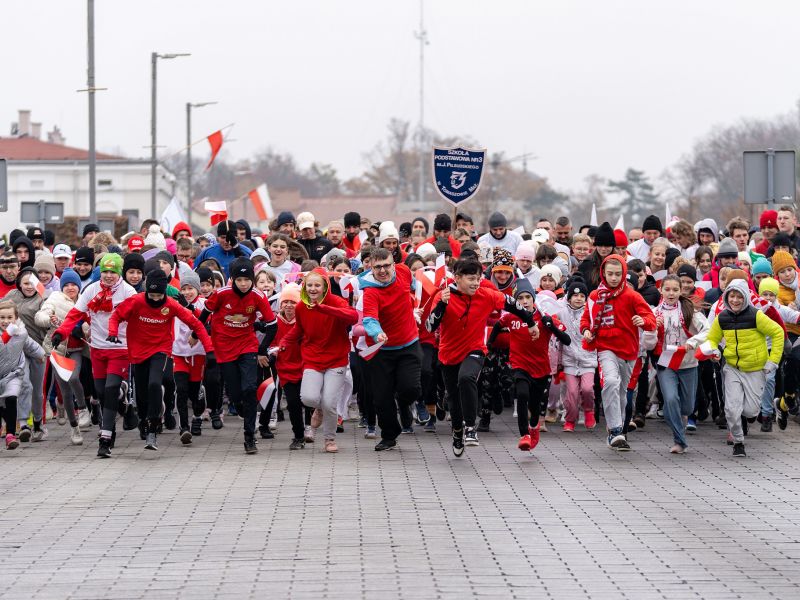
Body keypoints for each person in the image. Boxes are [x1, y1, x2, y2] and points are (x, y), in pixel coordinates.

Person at [426, 257, 538, 456]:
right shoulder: (443, 295)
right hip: (448, 353)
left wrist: (531, 322)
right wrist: (441, 305)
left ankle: (470, 428)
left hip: (475, 349)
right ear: (457, 278)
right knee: (453, 397)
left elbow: (514, 305)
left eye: (478, 278)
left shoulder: (486, 294)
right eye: (470, 279)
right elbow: (429, 327)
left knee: (467, 378)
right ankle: (458, 432)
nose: (475, 283)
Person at [108, 269, 212, 454]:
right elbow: (116, 316)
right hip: (138, 351)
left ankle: (153, 425)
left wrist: (209, 348)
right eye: (152, 295)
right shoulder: (137, 301)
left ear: (165, 292)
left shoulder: (171, 305)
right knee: (141, 394)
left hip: (160, 350)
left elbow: (196, 323)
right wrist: (113, 332)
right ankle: (143, 420)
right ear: (147, 291)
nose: (156, 299)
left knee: (155, 384)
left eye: (159, 295)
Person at [52, 253, 138, 453]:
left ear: (119, 273)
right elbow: (76, 315)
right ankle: (123, 406)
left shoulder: (128, 291)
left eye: (113, 272)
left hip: (120, 349)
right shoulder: (91, 289)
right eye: (105, 271)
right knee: (101, 392)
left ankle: (105, 438)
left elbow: (138, 319)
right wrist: (61, 333)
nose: (108, 276)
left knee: (109, 390)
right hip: (98, 350)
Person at [196, 257, 277, 454]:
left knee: (249, 388)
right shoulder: (221, 294)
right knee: (235, 394)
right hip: (224, 347)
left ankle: (249, 438)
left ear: (252, 279)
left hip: (247, 345)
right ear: (232, 279)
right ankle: (240, 405)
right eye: (239, 280)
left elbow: (273, 325)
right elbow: (205, 312)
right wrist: (196, 333)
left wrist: (261, 348)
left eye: (247, 279)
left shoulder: (258, 296)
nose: (243, 284)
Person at [699, 279, 783, 457]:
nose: (735, 300)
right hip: (732, 367)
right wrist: (714, 350)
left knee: (751, 410)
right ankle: (738, 442)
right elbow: (712, 338)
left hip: (755, 368)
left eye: (739, 296)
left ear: (745, 297)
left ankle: (748, 414)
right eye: (731, 296)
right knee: (731, 409)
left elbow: (778, 332)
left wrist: (773, 361)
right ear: (726, 297)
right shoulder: (722, 317)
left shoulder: (756, 315)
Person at [581, 254, 657, 450]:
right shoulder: (595, 296)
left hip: (628, 350)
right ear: (603, 274)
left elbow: (650, 317)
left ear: (623, 274)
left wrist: (644, 321)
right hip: (605, 346)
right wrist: (587, 331)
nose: (613, 278)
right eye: (610, 274)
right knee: (611, 382)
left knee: (622, 392)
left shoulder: (632, 296)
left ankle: (618, 431)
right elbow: (585, 320)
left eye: (617, 274)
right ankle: (615, 430)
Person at [279, 269, 359, 453]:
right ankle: (320, 409)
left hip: (336, 358)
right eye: (310, 285)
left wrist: (323, 308)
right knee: (308, 397)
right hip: (312, 358)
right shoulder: (301, 307)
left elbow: (353, 317)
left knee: (330, 401)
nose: (313, 289)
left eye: (317, 285)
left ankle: (329, 439)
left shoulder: (336, 301)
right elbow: (299, 329)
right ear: (305, 287)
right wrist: (284, 342)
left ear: (324, 288)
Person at [491, 278, 571, 452]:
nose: (524, 301)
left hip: (541, 368)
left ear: (533, 298)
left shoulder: (543, 318)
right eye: (520, 298)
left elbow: (567, 340)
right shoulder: (511, 317)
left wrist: (553, 328)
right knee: (521, 394)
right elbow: (498, 326)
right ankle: (524, 434)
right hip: (519, 364)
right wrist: (488, 346)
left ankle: (534, 427)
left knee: (534, 406)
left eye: (528, 297)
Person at [361, 248, 421, 451]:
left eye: (386, 265)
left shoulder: (404, 271)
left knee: (410, 389)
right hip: (382, 349)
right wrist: (376, 332)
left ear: (393, 264)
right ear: (371, 267)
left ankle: (403, 404)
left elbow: (415, 286)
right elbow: (369, 319)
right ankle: (389, 436)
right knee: (381, 397)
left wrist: (417, 306)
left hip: (408, 344)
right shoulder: (370, 291)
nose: (383, 271)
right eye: (377, 267)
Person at [653, 275, 709, 454]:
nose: (671, 293)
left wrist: (692, 343)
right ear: (660, 290)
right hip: (665, 363)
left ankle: (680, 420)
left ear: (680, 291)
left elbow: (708, 330)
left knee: (687, 407)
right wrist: (653, 328)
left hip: (688, 363)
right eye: (667, 289)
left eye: (675, 290)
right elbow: (646, 341)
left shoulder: (689, 310)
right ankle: (679, 440)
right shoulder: (654, 313)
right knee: (670, 400)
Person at [34, 268, 87, 444]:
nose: (70, 288)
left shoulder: (85, 300)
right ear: (62, 287)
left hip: (78, 350)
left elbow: (93, 323)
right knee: (64, 391)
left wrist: (84, 330)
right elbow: (41, 315)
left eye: (74, 284)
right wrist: (49, 319)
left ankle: (83, 408)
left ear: (79, 287)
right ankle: (74, 428)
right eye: (67, 285)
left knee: (73, 378)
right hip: (58, 351)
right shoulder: (55, 298)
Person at [0, 300, 45, 450]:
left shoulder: (21, 333)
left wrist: (41, 353)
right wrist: (7, 334)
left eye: (9, 317)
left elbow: (29, 344)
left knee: (11, 398)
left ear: (16, 318)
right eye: (2, 318)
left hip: (13, 374)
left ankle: (11, 435)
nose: (6, 321)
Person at [559, 278, 597, 431]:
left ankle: (589, 411)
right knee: (572, 393)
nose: (578, 298)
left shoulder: (591, 314)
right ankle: (570, 420)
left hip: (588, 358)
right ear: (568, 297)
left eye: (582, 296)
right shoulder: (562, 312)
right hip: (570, 359)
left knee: (587, 389)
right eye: (575, 295)